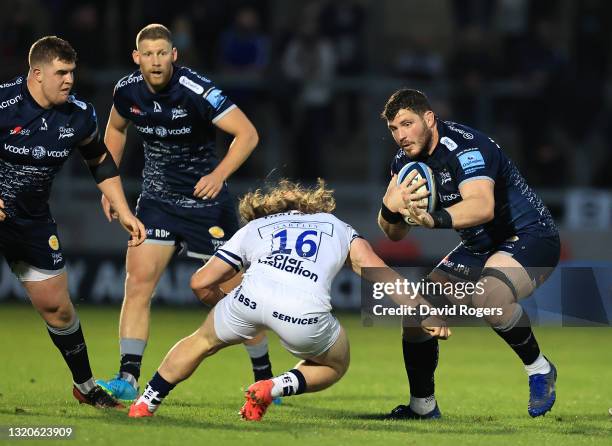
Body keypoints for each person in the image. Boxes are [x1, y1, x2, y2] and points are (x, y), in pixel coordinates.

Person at [126, 179, 435, 420]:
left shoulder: (255, 227)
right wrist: (423, 310)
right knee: (335, 363)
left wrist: (227, 305)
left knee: (200, 341)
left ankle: (146, 402)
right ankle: (272, 387)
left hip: (249, 298)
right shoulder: (337, 226)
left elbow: (200, 281)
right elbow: (380, 273)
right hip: (305, 311)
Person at [95, 24, 274, 404]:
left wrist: (219, 174)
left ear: (174, 56)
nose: (156, 61)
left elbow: (247, 133)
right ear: (137, 58)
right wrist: (108, 184)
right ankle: (127, 377)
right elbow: (114, 127)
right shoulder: (126, 91)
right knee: (137, 283)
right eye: (149, 54)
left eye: (163, 53)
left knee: (232, 294)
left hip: (206, 204)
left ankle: (265, 379)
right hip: (157, 202)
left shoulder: (197, 90)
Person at [378, 89, 560, 419]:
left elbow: (482, 206)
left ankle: (539, 369)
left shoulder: (465, 147)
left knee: (490, 297)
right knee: (416, 314)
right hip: (481, 245)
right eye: (393, 128)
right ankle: (423, 408)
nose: (401, 136)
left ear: (429, 118)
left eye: (407, 124)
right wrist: (389, 209)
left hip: (531, 236)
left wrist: (433, 219)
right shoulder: (404, 163)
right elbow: (393, 234)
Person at [0, 36, 146, 408]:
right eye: (61, 72)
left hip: (31, 222)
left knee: (58, 307)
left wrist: (124, 209)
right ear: (36, 74)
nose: (69, 80)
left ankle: (84, 385)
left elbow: (98, 160)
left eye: (72, 73)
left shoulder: (79, 114)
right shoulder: (3, 103)